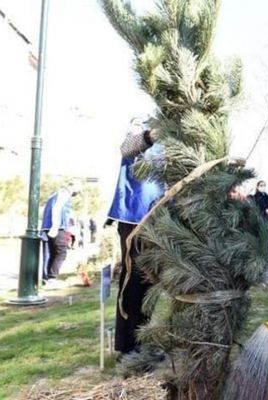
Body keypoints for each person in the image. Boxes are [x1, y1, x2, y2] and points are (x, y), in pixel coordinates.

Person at [107, 118, 165, 355]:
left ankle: (143, 342)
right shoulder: (143, 129)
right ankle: (128, 347)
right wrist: (150, 135)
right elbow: (126, 147)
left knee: (149, 282)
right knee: (133, 281)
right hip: (134, 217)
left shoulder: (171, 141)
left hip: (158, 217)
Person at [40, 181, 81, 281]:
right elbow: (57, 209)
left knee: (50, 253)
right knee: (61, 252)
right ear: (73, 188)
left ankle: (46, 278)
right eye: (76, 193)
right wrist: (55, 226)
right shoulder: (64, 194)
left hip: (46, 227)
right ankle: (51, 277)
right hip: (57, 227)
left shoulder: (53, 195)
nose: (74, 195)